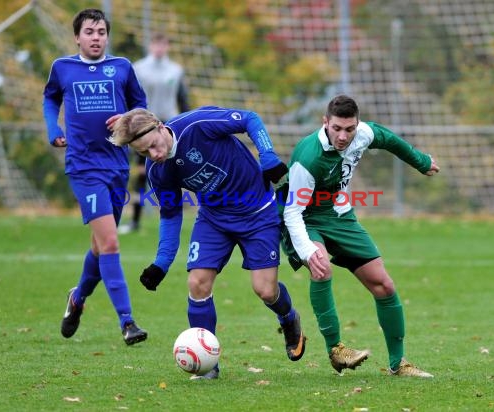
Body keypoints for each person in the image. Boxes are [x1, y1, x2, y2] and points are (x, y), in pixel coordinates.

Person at [109, 106, 307, 379]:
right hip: (214, 219)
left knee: (265, 290)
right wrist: (162, 263)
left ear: (158, 125)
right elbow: (170, 215)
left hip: (258, 212)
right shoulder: (157, 170)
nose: (153, 155)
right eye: (144, 152)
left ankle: (288, 318)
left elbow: (250, 118)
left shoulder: (198, 125)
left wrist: (268, 156)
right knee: (197, 283)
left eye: (153, 145)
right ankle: (208, 364)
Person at [279, 94, 439, 378]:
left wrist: (421, 161)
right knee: (321, 268)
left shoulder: (363, 134)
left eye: (349, 129)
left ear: (357, 125)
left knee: (384, 286)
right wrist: (307, 252)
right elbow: (292, 212)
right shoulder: (309, 157)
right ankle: (336, 350)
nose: (343, 136)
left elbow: (388, 138)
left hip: (339, 214)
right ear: (325, 122)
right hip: (304, 217)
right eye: (337, 128)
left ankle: (398, 364)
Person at [43, 8, 148, 345]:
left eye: (101, 31)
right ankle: (127, 322)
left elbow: (141, 106)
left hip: (117, 166)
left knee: (101, 246)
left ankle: (77, 299)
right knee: (112, 242)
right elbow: (50, 99)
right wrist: (52, 128)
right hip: (84, 168)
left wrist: (128, 116)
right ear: (77, 36)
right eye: (89, 31)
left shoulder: (122, 68)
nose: (96, 37)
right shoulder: (63, 68)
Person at [118, 32, 191, 234]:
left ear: (167, 46)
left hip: (168, 126)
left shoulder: (176, 71)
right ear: (150, 46)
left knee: (177, 172)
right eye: (156, 44)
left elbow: (182, 99)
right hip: (144, 128)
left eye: (163, 44)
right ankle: (135, 220)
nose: (159, 48)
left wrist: (186, 123)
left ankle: (178, 218)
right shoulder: (138, 68)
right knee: (143, 175)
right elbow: (129, 96)